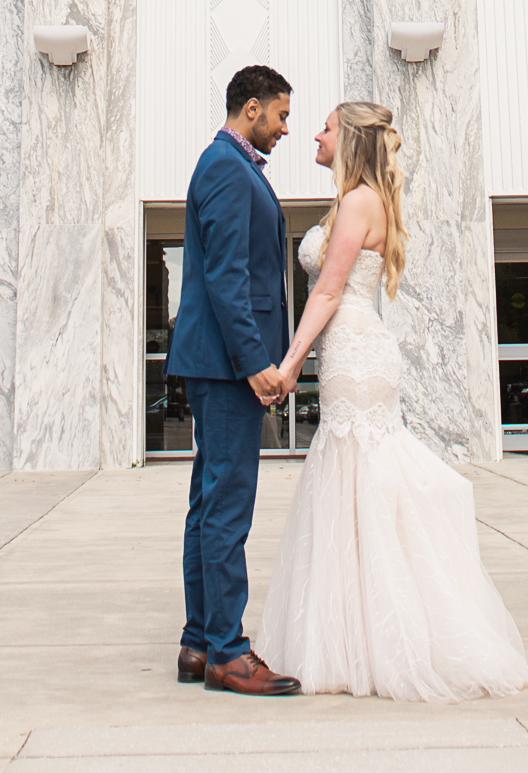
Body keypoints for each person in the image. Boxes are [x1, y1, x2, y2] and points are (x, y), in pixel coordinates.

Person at [252, 102, 528, 701]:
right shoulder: (356, 198)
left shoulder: (357, 202)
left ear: (349, 138)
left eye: (326, 127)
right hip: (352, 346)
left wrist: (289, 364)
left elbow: (329, 289)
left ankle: (383, 637)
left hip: (354, 350)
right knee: (353, 489)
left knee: (360, 483)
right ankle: (356, 632)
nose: (315, 134)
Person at [167, 65, 304, 696]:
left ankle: (200, 643)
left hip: (217, 363)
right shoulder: (225, 165)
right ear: (250, 109)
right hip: (226, 367)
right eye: (278, 115)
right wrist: (256, 363)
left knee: (208, 503)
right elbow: (227, 277)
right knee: (226, 508)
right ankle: (227, 650)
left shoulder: (234, 165)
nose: (283, 128)